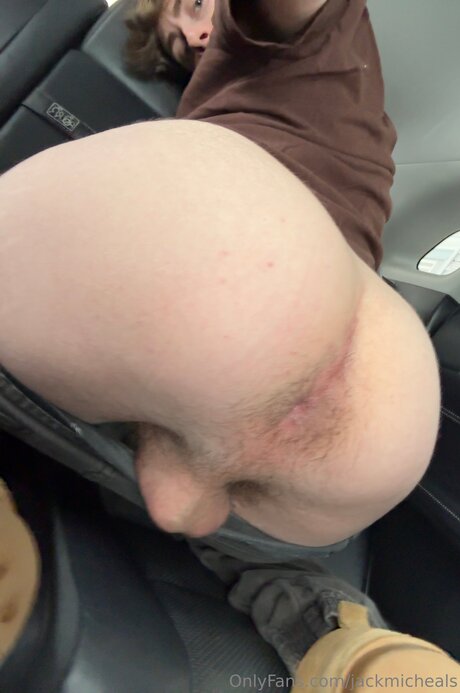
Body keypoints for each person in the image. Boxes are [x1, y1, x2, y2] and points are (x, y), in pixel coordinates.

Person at [0, 0, 451, 685]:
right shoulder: (221, 105)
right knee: (254, 559)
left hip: (286, 443)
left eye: (191, 6)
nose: (194, 32)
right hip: (279, 495)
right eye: (177, 44)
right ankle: (371, 660)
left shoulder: (297, 53)